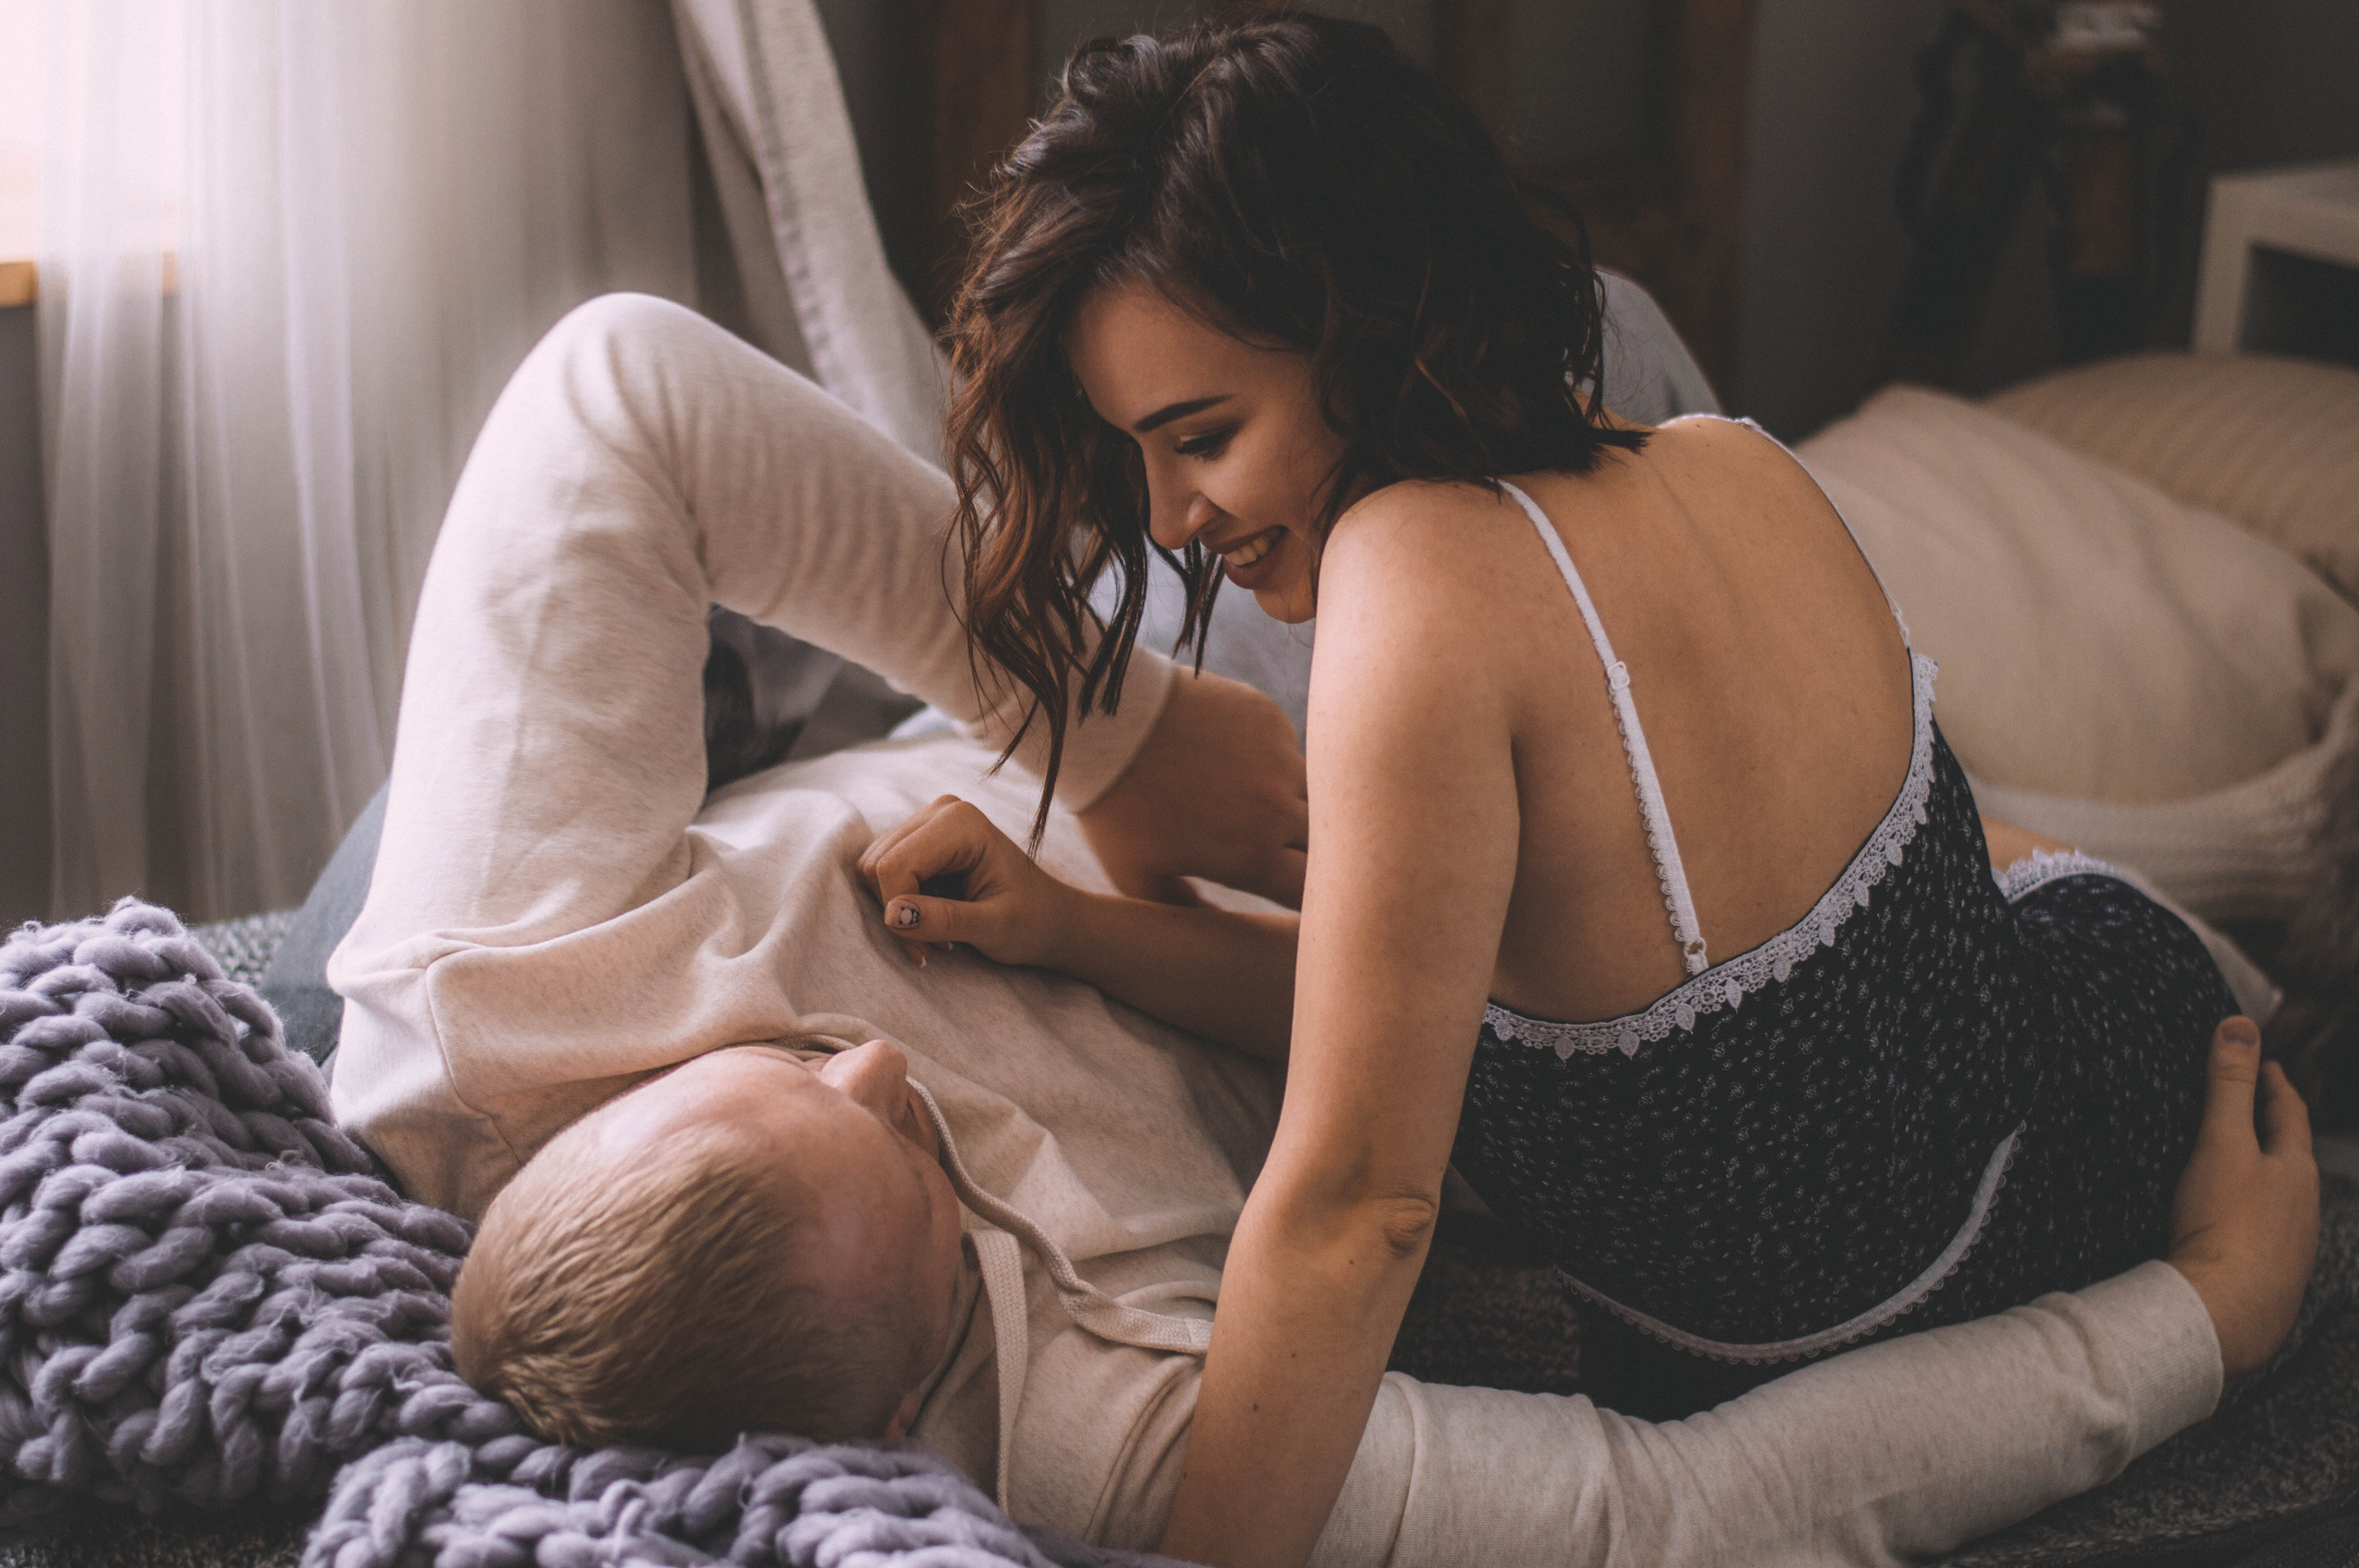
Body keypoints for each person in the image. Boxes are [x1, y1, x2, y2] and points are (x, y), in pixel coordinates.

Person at [331, 288, 2318, 1567]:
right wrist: (2184, 1335)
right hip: (1408, 922)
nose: (881, 1057)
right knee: (1682, 717)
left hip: (1129, 719)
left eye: (768, 1064)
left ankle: (2150, 835)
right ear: (884, 1417)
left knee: (1579, 352)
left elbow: (623, 393)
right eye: (908, 1141)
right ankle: (2214, 858)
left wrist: (1102, 729)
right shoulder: (1102, 1428)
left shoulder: (477, 994)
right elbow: (1692, 1509)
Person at [851, 14, 2315, 1565]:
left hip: (2070, 1104)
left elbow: (1358, 1199)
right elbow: (1425, 1022)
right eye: (1135, 454)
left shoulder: (1410, 581)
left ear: (1363, 321)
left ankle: (2247, 869)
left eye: (1201, 435)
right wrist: (1074, 931)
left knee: (2052, 886)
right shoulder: (1734, 458)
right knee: (1978, 866)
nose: (1165, 513)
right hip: (1980, 1141)